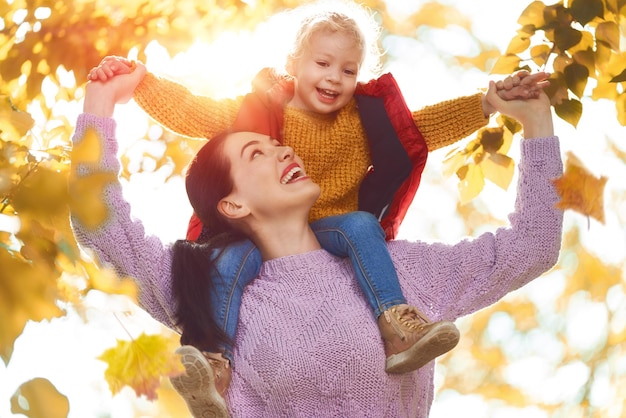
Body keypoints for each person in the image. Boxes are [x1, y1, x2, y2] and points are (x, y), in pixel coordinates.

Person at [88, 3, 549, 411]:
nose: (334, 77)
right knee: (229, 261)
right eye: (323, 63)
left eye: (348, 70)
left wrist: (506, 110)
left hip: (340, 233)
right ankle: (213, 360)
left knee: (363, 226)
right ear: (293, 64)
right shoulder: (205, 284)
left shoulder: (396, 263)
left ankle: (396, 322)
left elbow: (422, 131)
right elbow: (190, 113)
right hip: (238, 258)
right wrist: (128, 89)